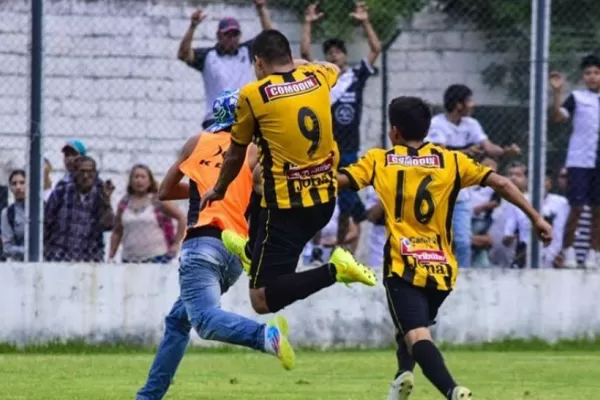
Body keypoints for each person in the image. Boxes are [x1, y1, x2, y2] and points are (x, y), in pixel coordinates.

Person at [336, 96, 553, 400]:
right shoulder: (450, 160)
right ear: (426, 130)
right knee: (411, 323)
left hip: (404, 263)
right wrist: (537, 218)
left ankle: (453, 390)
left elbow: (339, 181)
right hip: (442, 267)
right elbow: (502, 183)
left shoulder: (379, 160)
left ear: (393, 131)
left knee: (416, 333)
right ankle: (401, 378)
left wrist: (298, 178)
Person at [201, 29, 376, 317]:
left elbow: (234, 154)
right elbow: (331, 67)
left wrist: (219, 189)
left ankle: (336, 270)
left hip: (286, 209)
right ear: (288, 58)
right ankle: (250, 251)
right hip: (322, 201)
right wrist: (293, 63)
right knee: (259, 176)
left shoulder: (253, 94)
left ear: (258, 63)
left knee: (261, 299)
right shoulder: (317, 77)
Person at [135, 90, 294, 400]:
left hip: (202, 244)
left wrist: (204, 188)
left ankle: (264, 335)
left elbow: (164, 191)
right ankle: (149, 396)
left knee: (205, 321)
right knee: (178, 321)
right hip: (235, 251)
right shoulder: (254, 150)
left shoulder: (197, 143)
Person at [300, 2, 381, 248]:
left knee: (345, 200)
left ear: (345, 55)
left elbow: (376, 49)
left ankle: (341, 245)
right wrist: (308, 23)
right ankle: (313, 247)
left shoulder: (355, 77)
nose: (334, 55)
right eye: (329, 52)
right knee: (317, 198)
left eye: (338, 51)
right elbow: (304, 52)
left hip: (348, 148)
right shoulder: (322, 76)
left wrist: (365, 21)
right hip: (323, 149)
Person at [425, 84, 521, 268]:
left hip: (461, 192)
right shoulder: (437, 124)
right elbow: (440, 154)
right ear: (458, 104)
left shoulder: (472, 124)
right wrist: (467, 152)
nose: (473, 105)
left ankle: (460, 282)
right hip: (437, 192)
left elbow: (489, 147)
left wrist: (505, 151)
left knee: (462, 242)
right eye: (469, 100)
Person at [177, 0, 273, 129]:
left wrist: (261, 8)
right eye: (227, 34)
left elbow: (271, 38)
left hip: (243, 117)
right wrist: (193, 26)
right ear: (219, 35)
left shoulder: (246, 51)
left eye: (235, 34)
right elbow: (183, 54)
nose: (231, 38)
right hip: (216, 119)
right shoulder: (208, 56)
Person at [550, 54, 600, 268]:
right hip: (579, 160)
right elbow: (559, 117)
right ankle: (568, 250)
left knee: (598, 210)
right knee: (576, 207)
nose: (592, 77)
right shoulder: (577, 97)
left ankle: (594, 253)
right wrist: (558, 92)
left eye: (596, 72)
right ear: (583, 76)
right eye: (588, 73)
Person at [109, 164, 186, 263]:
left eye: (143, 177)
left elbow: (182, 218)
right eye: (136, 177)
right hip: (129, 258)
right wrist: (111, 256)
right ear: (131, 181)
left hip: (157, 257)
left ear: (150, 181)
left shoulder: (157, 200)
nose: (139, 180)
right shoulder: (124, 203)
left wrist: (176, 244)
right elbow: (117, 231)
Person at [44, 156, 115, 262]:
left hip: (89, 258)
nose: (86, 176)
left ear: (95, 174)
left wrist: (106, 200)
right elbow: (46, 222)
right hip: (59, 256)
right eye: (82, 172)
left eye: (90, 172)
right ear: (74, 173)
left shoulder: (100, 195)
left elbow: (108, 225)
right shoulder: (62, 192)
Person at [1, 170, 26, 261]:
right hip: (19, 266)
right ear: (11, 188)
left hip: (46, 263)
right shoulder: (7, 213)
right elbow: (7, 248)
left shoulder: (43, 208)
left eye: (22, 182)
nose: (18, 187)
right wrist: (28, 251)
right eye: (14, 184)